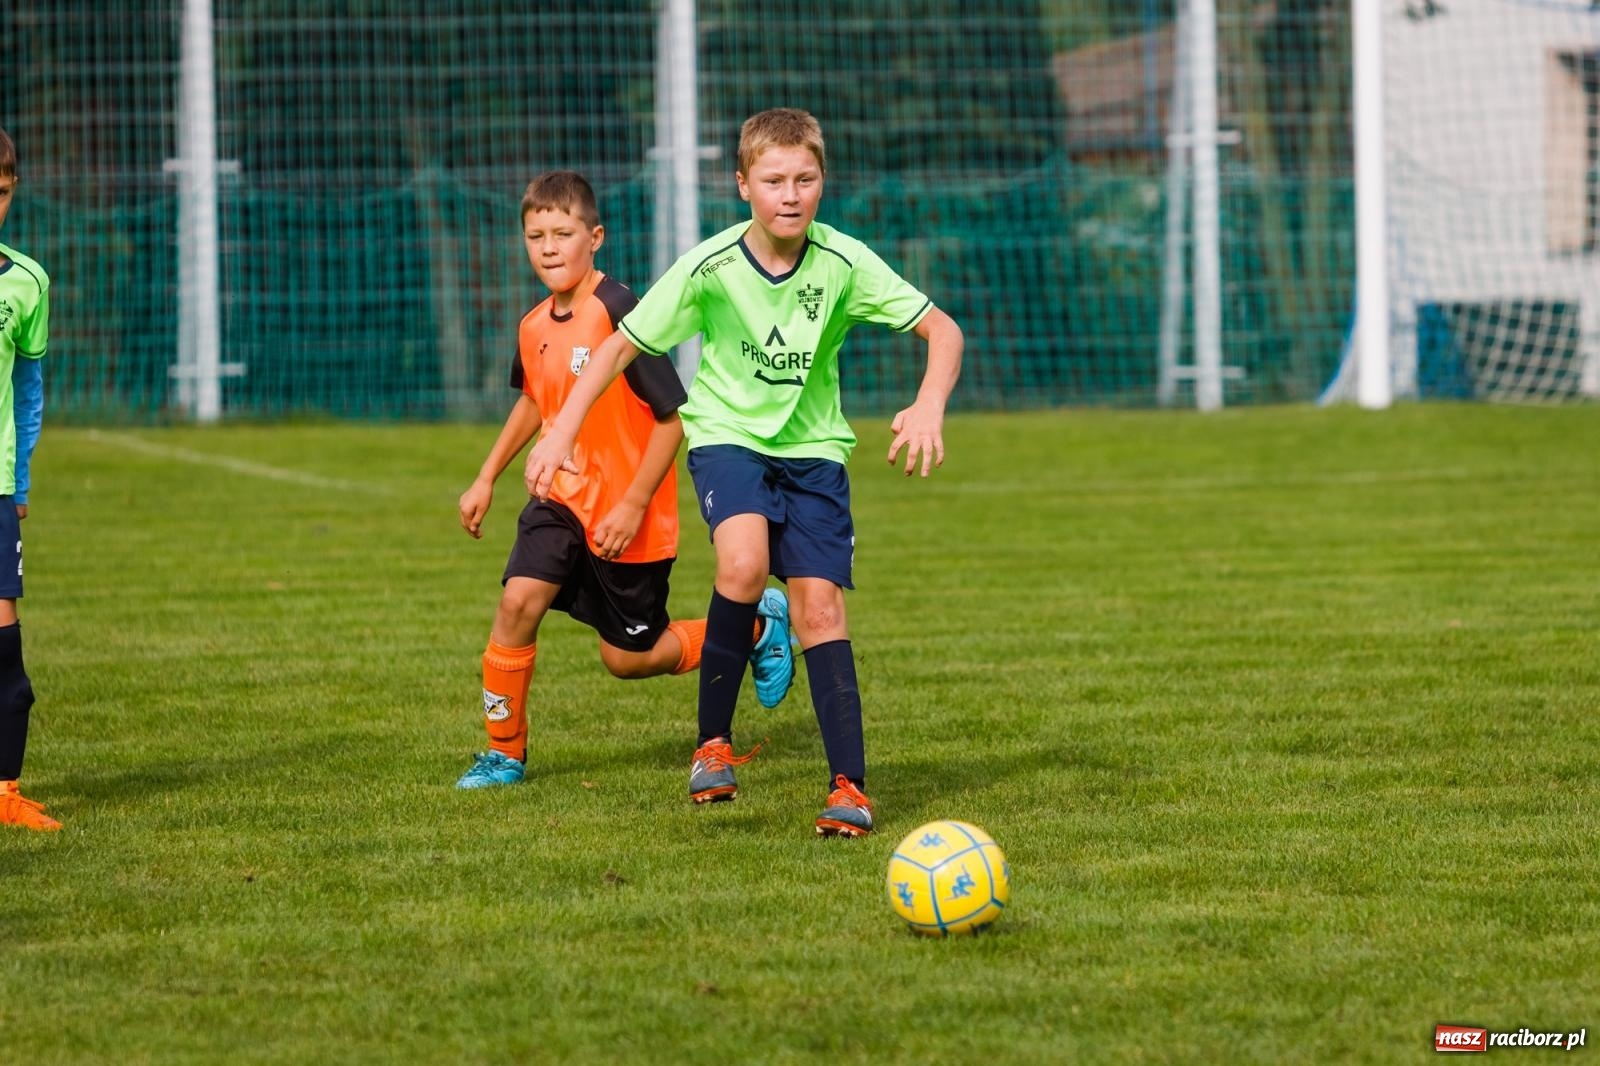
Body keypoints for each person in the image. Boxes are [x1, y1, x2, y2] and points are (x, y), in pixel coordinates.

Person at [524, 110, 964, 836]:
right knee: (743, 563)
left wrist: (928, 404)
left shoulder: (845, 263)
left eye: (805, 179)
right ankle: (712, 745)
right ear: (742, 186)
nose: (789, 195)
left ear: (822, 183)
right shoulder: (713, 266)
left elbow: (941, 329)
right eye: (773, 181)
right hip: (727, 439)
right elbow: (615, 349)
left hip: (815, 453)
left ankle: (849, 787)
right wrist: (559, 431)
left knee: (821, 608)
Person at [454, 170, 793, 789]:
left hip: (626, 515)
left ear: (596, 237)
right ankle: (503, 753)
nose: (549, 247)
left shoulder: (618, 310)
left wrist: (633, 504)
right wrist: (485, 478)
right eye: (536, 235)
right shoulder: (534, 326)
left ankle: (755, 625)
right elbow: (537, 401)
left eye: (564, 233)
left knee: (629, 658)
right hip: (560, 498)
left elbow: (672, 417)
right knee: (516, 602)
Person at [0, 127, 55, 831]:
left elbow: (28, 392)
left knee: (8, 665)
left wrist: (19, 482)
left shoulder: (27, 281)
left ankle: (5, 795)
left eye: (3, 192)